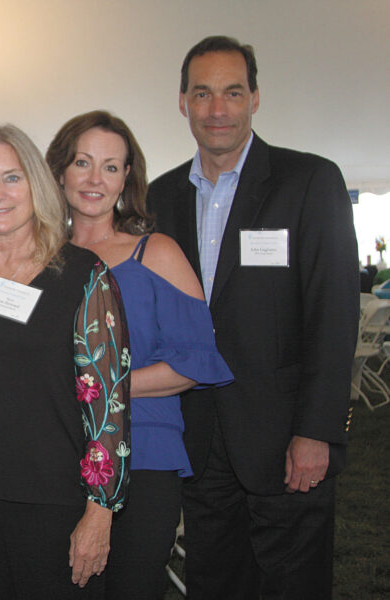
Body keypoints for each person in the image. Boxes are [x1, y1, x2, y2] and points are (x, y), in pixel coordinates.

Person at [146, 36, 359, 599]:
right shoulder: (158, 198)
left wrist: (316, 430)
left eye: (232, 93)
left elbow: (334, 315)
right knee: (214, 584)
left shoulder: (309, 182)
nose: (217, 109)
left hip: (287, 441)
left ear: (256, 99)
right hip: (199, 442)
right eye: (203, 94)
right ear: (183, 103)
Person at [0, 123, 130, 599]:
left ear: (37, 186)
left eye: (12, 178)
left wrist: (100, 510)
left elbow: (109, 406)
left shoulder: (85, 276)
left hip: (56, 507)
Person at [46, 110, 233, 599]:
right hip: (54, 455)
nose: (94, 179)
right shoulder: (37, 261)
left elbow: (195, 363)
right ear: (59, 170)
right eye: (82, 163)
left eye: (111, 166)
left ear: (126, 178)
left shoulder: (156, 253)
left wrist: (98, 389)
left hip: (142, 456)